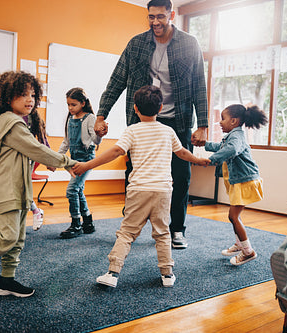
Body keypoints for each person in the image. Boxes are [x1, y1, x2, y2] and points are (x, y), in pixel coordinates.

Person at [94, 0, 208, 250]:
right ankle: (130, 226)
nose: (155, 22)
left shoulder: (189, 44)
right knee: (134, 174)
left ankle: (176, 229)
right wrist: (101, 115)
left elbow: (199, 84)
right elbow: (116, 81)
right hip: (142, 120)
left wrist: (203, 124)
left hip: (177, 121)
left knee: (180, 175)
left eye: (160, 16)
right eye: (150, 17)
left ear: (172, 15)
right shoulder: (136, 44)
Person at [73, 86, 209, 288]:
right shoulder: (168, 131)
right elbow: (181, 153)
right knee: (163, 233)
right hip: (163, 190)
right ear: (161, 108)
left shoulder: (132, 130)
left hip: (139, 190)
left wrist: (86, 165)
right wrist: (198, 160)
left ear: (135, 108)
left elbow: (116, 151)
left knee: (127, 233)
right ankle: (167, 275)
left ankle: (113, 273)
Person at [0, 71, 77, 297]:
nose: (29, 99)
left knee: (18, 238)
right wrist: (68, 162)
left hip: (20, 187)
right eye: (22, 95)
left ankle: (6, 281)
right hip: (7, 188)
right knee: (9, 236)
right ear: (7, 97)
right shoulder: (12, 124)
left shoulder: (11, 122)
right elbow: (37, 149)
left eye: (32, 94)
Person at [197, 104, 267, 266]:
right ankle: (239, 244)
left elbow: (232, 149)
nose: (220, 122)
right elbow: (223, 147)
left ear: (234, 121)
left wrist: (211, 159)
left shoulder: (236, 137)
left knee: (233, 216)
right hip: (240, 181)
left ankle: (248, 252)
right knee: (235, 216)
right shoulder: (234, 135)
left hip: (244, 181)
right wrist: (204, 144)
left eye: (223, 119)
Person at [58, 88, 102, 239]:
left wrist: (100, 134)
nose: (70, 108)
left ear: (83, 103)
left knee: (72, 190)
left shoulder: (90, 118)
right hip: (74, 159)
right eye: (68, 105)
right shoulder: (71, 119)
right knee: (78, 189)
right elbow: (66, 142)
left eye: (73, 105)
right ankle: (88, 222)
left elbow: (95, 140)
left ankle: (76, 224)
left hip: (86, 159)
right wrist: (56, 158)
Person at [23, 110, 53, 231]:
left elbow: (43, 141)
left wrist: (49, 161)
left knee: (21, 190)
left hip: (27, 160)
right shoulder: (8, 116)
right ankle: (10, 225)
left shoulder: (30, 118)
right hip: (10, 160)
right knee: (14, 192)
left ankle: (36, 211)